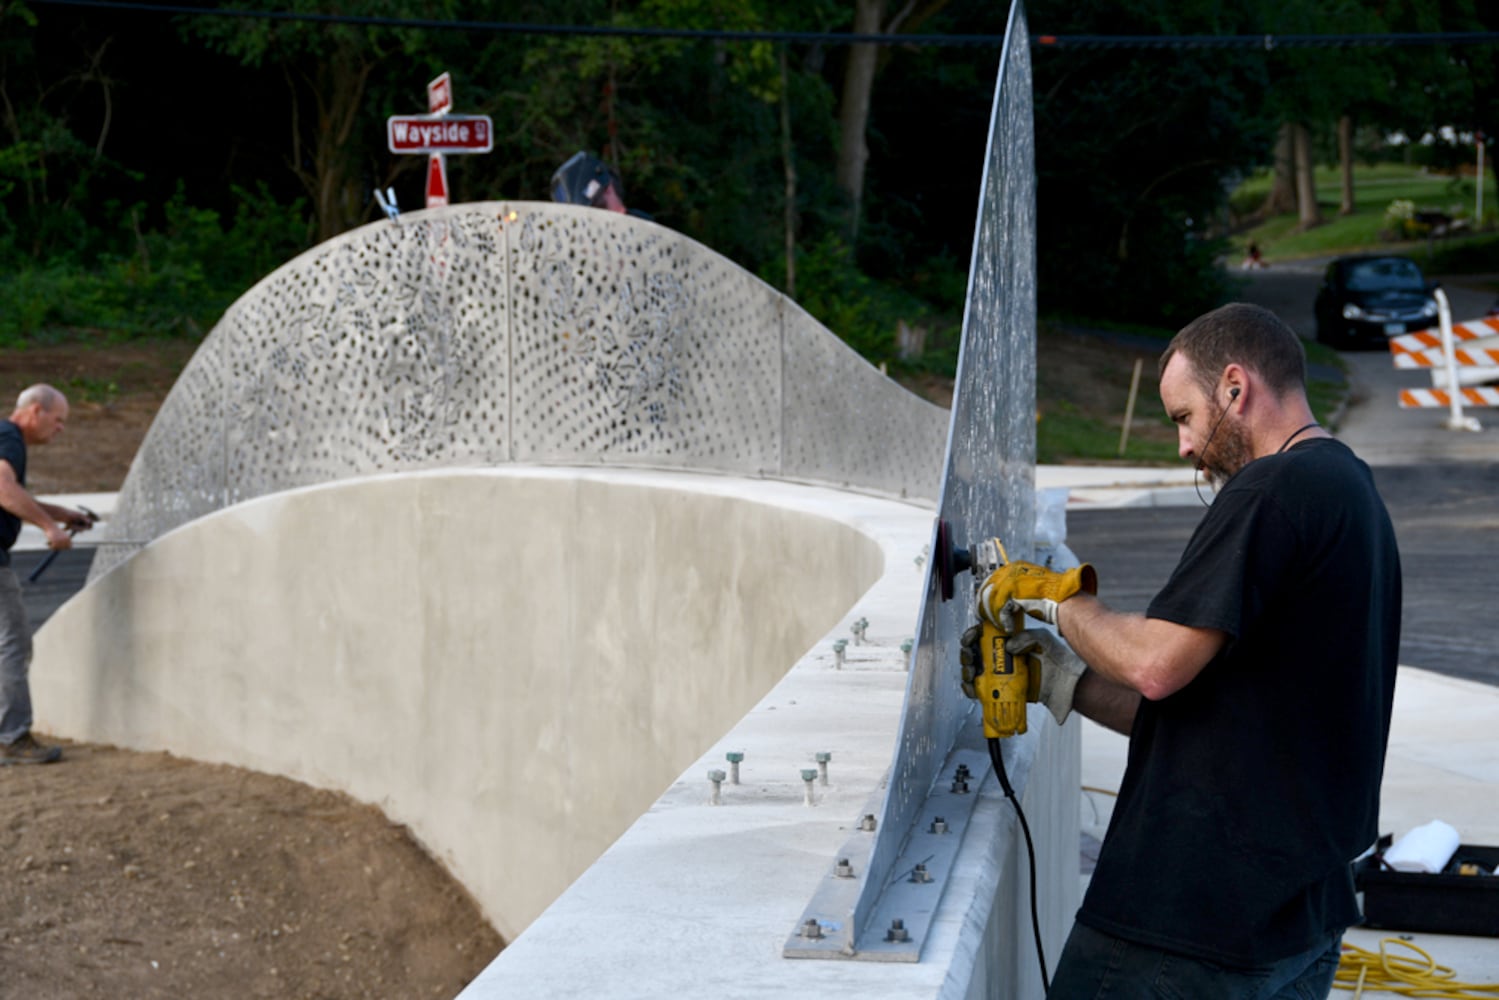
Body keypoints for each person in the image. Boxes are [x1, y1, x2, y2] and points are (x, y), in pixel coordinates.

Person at [978, 303, 1402, 998]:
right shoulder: (1349, 490)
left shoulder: (1272, 488)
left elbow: (1153, 663)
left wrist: (1054, 599)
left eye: (1183, 417)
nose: (1182, 446)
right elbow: (1208, 710)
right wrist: (1056, 678)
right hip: (1297, 919)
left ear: (1234, 388)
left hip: (1189, 926)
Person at [0, 384, 95, 765]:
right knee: (14, 643)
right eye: (58, 421)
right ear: (35, 411)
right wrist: (49, 529)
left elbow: (14, 495)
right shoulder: (9, 437)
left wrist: (63, 516)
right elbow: (3, 488)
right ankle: (13, 738)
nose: (60, 430)